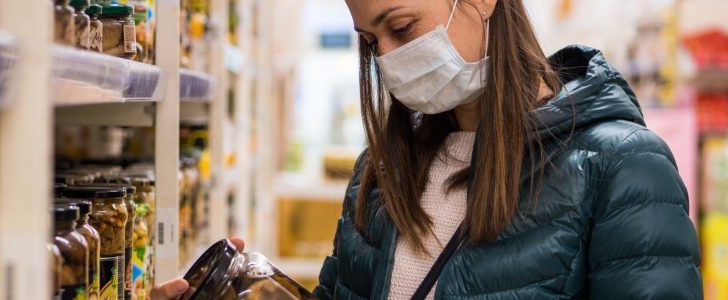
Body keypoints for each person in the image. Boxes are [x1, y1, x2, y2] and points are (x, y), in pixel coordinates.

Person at [153, 0, 702, 299]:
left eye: (401, 26)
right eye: (371, 42)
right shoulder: (382, 172)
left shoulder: (623, 166)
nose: (388, 59)